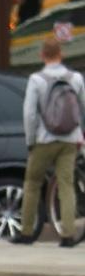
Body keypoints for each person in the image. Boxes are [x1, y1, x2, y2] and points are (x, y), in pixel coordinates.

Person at [19, 37, 85, 247]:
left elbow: (29, 114)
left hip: (44, 140)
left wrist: (30, 140)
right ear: (61, 54)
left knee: (32, 183)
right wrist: (80, 135)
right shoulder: (76, 78)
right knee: (66, 185)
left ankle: (26, 232)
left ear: (42, 55)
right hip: (70, 140)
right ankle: (68, 234)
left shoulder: (36, 80)